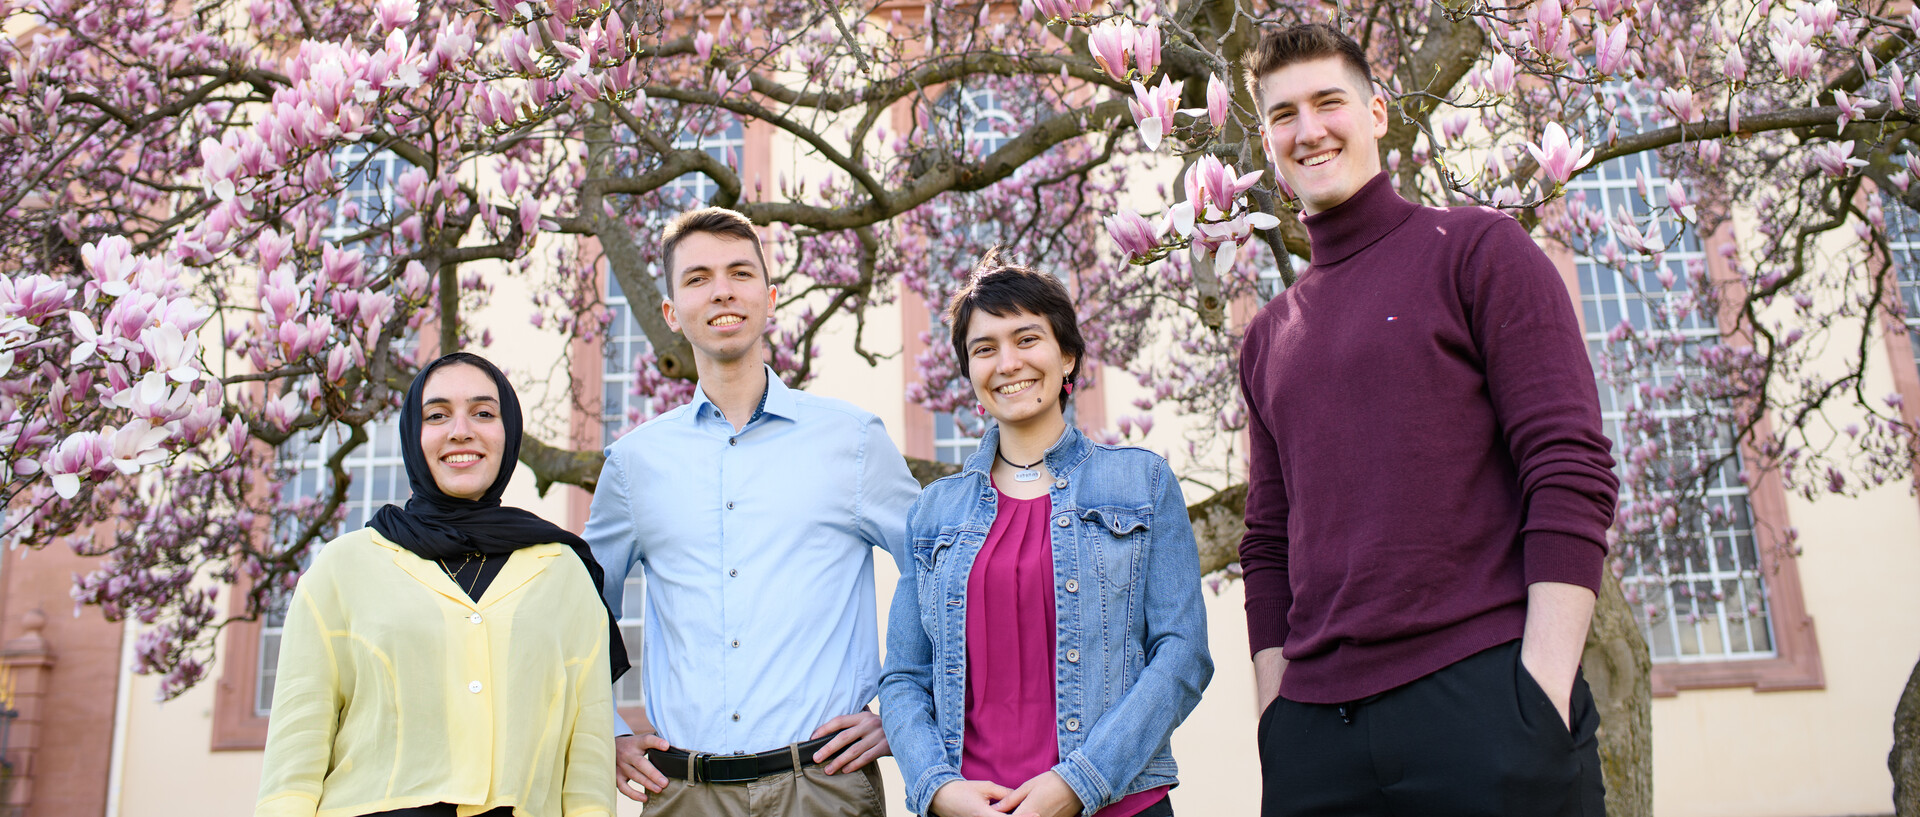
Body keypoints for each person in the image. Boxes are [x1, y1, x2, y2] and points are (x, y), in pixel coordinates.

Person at [1235, 21, 1621, 817]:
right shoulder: (1269, 335)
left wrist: (1540, 692)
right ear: (1267, 138)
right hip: (1317, 737)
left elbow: (1569, 466)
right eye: (1283, 114)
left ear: (1376, 113)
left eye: (1328, 102)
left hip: (1483, 706)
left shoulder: (1478, 251)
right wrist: (1277, 722)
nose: (1308, 130)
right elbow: (1267, 542)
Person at [583, 206, 920, 817]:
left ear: (768, 298)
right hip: (683, 792)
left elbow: (945, 579)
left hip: (825, 787)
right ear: (671, 312)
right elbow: (577, 611)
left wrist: (909, 711)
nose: (721, 291)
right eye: (697, 278)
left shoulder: (853, 441)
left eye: (739, 273)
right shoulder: (634, 464)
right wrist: (602, 730)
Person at [879, 251, 1213, 817]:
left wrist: (1079, 783)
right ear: (969, 373)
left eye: (1027, 339)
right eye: (984, 348)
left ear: (1068, 358)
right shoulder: (934, 513)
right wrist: (937, 788)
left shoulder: (1141, 482)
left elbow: (1183, 655)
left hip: (1119, 804)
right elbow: (904, 678)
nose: (1007, 362)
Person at [256, 351, 624, 817]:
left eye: (484, 413)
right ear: (413, 433)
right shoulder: (342, 568)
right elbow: (294, 761)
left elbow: (588, 766)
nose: (461, 431)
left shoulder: (564, 573)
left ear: (508, 432)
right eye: (437, 415)